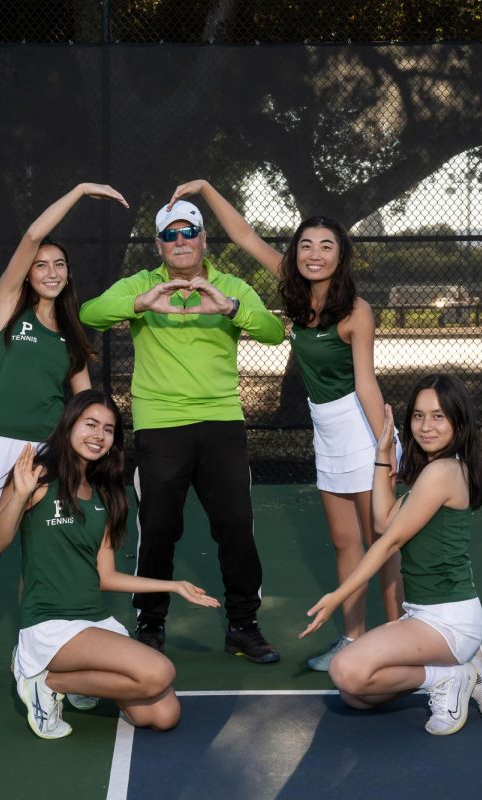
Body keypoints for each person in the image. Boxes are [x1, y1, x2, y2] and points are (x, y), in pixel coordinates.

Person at [166, 180, 401, 672]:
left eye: (326, 247)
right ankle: (353, 640)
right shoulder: (295, 289)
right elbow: (247, 236)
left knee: (382, 539)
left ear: (342, 256)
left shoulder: (356, 311)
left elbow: (366, 385)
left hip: (361, 430)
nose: (314, 255)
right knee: (344, 544)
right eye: (306, 246)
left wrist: (387, 446)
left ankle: (403, 638)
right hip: (326, 431)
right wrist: (208, 190)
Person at [79, 197, 286, 663]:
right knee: (158, 529)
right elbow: (90, 313)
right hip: (161, 424)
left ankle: (243, 625)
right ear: (158, 245)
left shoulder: (230, 285)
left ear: (203, 239)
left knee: (235, 525)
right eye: (169, 235)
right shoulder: (142, 284)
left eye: (188, 232)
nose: (180, 241)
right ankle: (150, 625)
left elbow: (275, 332)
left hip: (222, 421)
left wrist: (231, 308)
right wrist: (139, 302)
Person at [0, 183, 128, 698]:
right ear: (28, 272)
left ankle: (35, 662)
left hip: (46, 450)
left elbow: (90, 410)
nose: (49, 270)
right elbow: (30, 233)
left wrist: (107, 448)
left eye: (59, 265)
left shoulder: (72, 340)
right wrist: (81, 190)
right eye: (41, 264)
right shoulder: (8, 310)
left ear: (68, 275)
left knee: (40, 556)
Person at [0, 389, 221, 739]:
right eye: (90, 424)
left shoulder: (106, 495)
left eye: (108, 430)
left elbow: (105, 577)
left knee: (163, 715)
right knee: (158, 672)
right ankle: (45, 681)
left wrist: (173, 585)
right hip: (50, 623)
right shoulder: (37, 478)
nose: (99, 436)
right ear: (69, 426)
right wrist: (19, 495)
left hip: (92, 620)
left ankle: (75, 682)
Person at [300, 373, 482, 736]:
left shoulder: (444, 471)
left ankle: (451, 675)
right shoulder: (436, 473)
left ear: (459, 421)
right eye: (419, 416)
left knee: (346, 670)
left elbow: (387, 542)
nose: (426, 426)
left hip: (448, 620)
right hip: (423, 615)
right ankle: (449, 672)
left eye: (438, 416)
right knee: (356, 695)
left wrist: (338, 595)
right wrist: (381, 457)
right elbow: (383, 521)